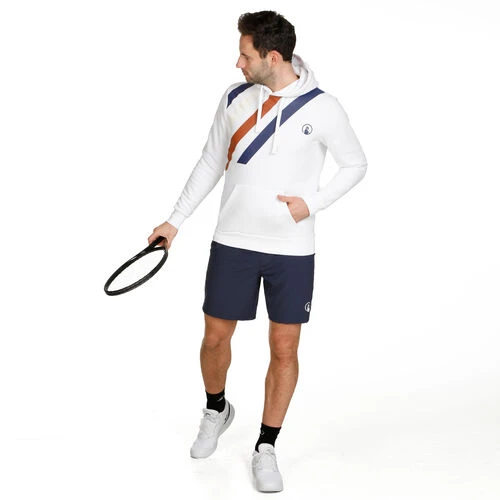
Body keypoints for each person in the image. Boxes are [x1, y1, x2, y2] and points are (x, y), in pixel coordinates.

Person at [148, 10, 367, 493]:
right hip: (233, 242)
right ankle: (216, 409)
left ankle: (266, 445)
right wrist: (174, 221)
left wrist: (313, 203)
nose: (238, 63)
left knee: (284, 348)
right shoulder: (234, 99)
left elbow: (355, 164)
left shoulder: (322, 107)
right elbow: (210, 162)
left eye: (245, 55)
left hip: (292, 249)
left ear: (272, 56)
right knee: (214, 339)